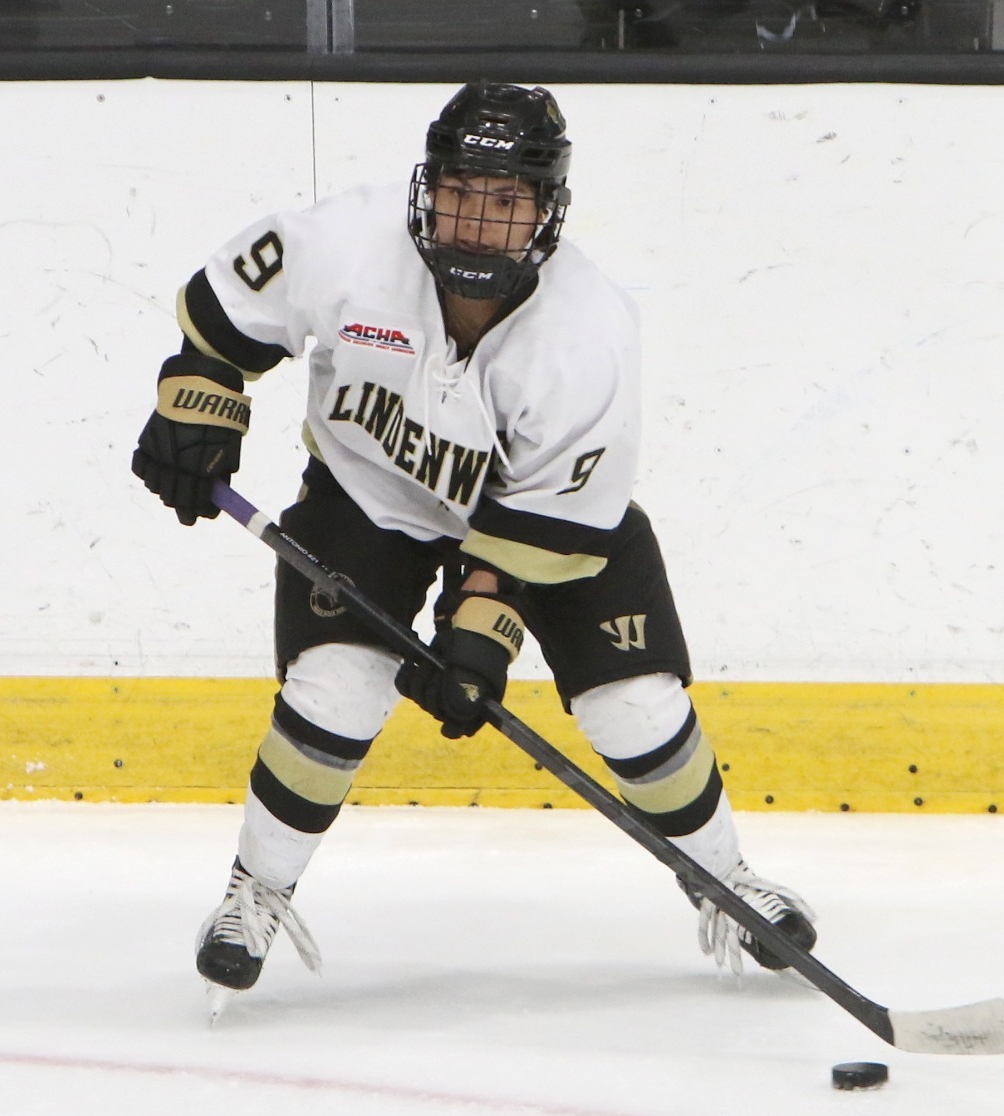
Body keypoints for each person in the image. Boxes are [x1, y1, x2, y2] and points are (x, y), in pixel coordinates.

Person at [131, 81, 816, 1002]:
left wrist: (478, 631)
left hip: (535, 524)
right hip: (371, 493)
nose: (480, 221)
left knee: (636, 708)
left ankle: (728, 881)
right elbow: (222, 320)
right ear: (430, 187)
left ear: (546, 212)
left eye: (508, 201)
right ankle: (254, 892)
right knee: (337, 690)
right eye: (463, 189)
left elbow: (541, 525)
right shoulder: (344, 244)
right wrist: (196, 402)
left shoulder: (589, 333)